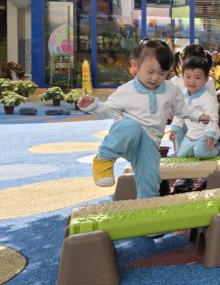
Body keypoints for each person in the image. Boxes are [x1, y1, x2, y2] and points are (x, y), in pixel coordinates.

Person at [78, 39, 212, 199]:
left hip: (149, 144)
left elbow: (182, 109)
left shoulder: (171, 90)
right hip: (126, 139)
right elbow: (108, 110)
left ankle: (147, 203)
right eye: (150, 72)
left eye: (162, 73)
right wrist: (93, 106)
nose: (155, 78)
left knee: (150, 178)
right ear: (135, 65)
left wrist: (198, 116)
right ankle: (103, 159)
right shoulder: (126, 91)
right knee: (132, 127)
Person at [169, 56, 220, 159]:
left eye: (197, 78)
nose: (192, 81)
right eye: (188, 77)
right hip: (191, 135)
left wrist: (210, 135)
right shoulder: (183, 95)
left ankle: (217, 151)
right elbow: (180, 113)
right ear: (182, 76)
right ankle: (197, 148)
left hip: (206, 134)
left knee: (200, 153)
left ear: (206, 79)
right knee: (181, 156)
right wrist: (174, 128)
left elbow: (213, 118)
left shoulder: (208, 98)